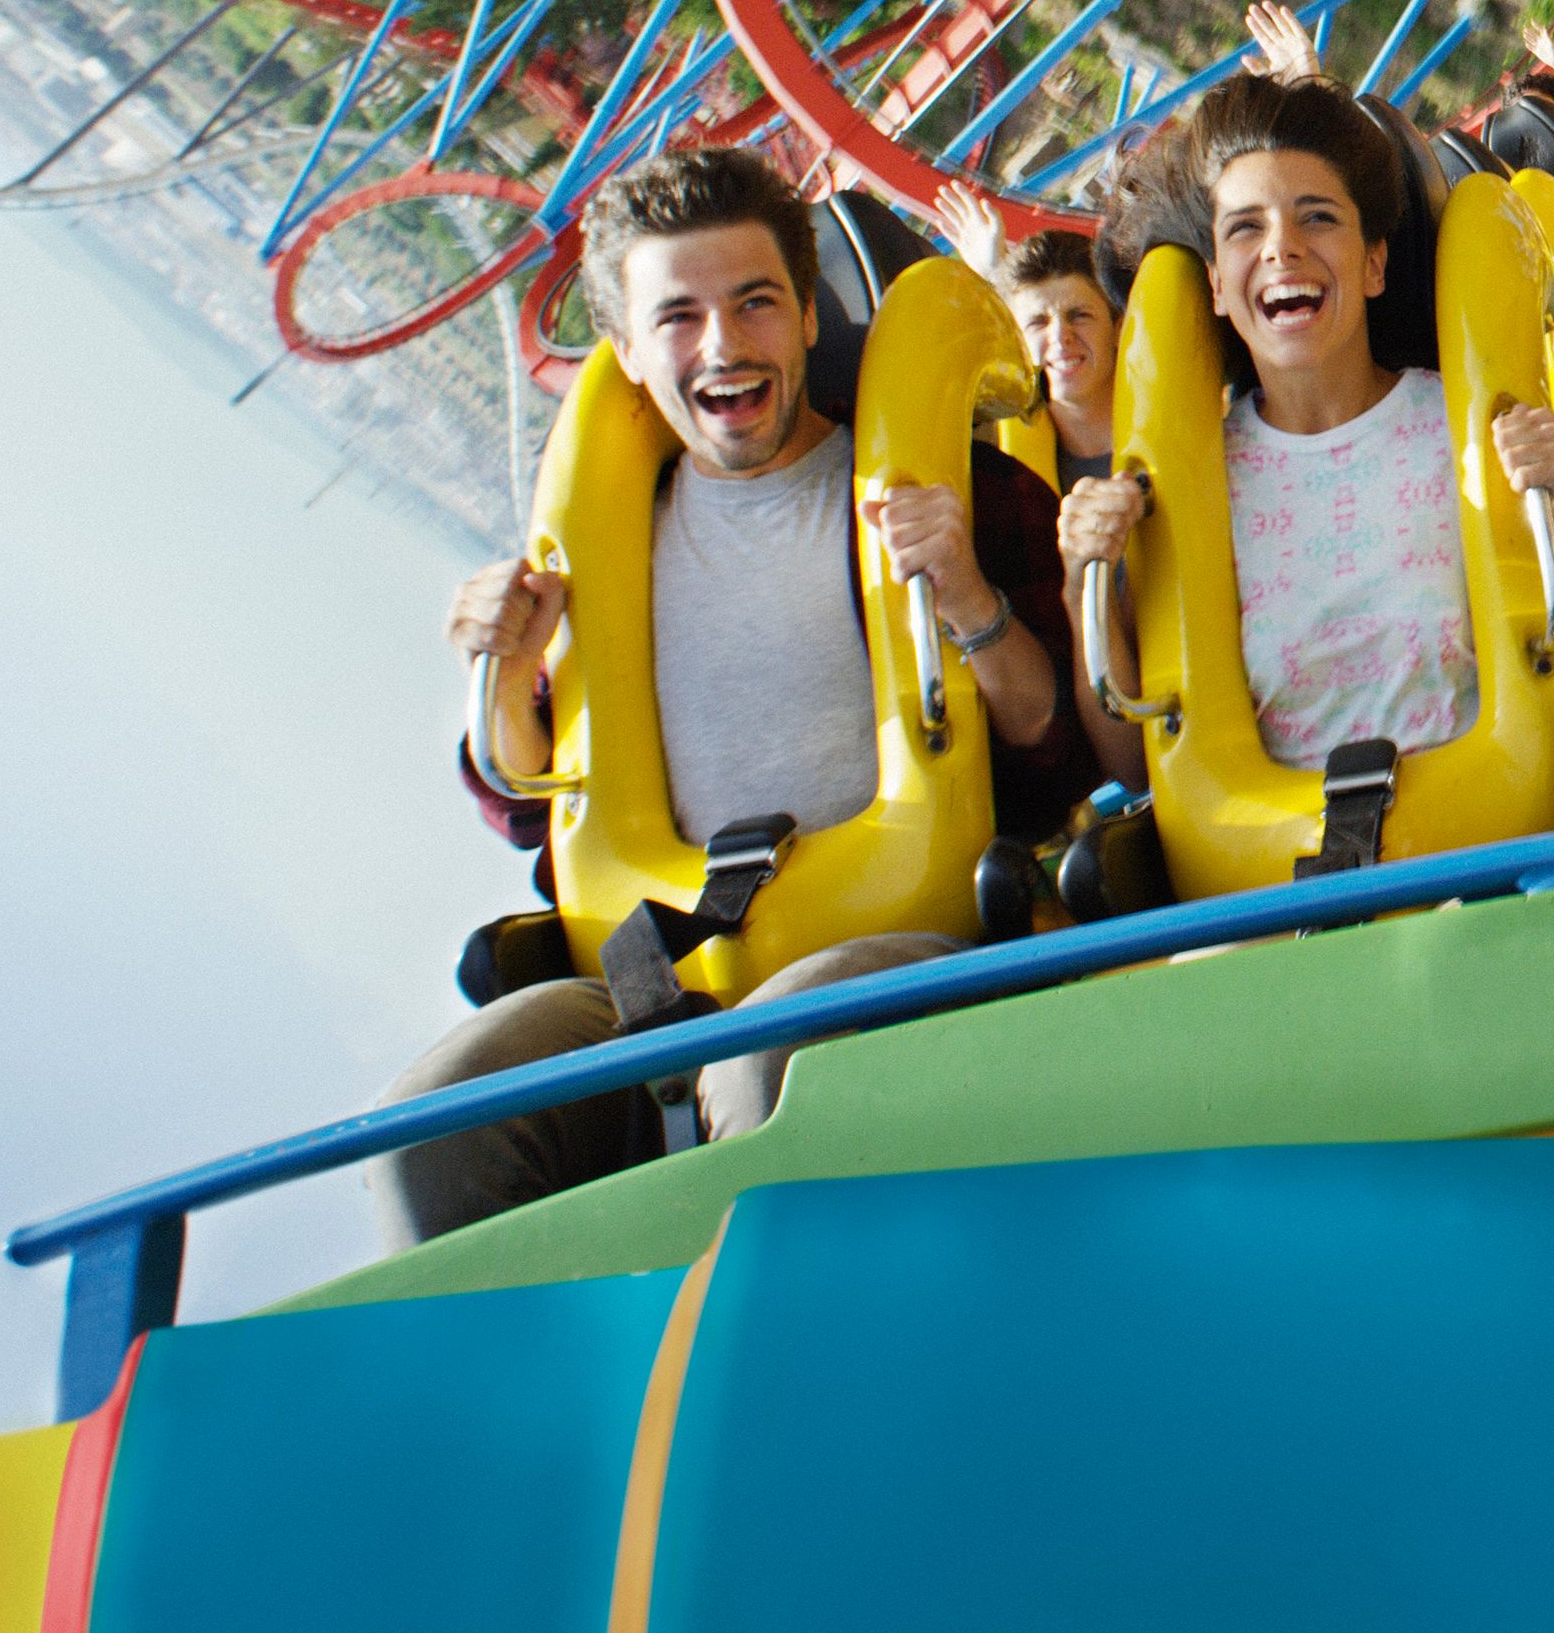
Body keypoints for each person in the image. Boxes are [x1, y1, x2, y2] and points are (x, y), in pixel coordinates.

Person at [384, 147, 1086, 1247]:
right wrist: (502, 669)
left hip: (897, 940)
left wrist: (966, 595)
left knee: (769, 1064)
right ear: (625, 349)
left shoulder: (962, 487)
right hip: (654, 973)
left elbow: (1060, 756)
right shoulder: (606, 545)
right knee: (439, 1115)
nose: (723, 344)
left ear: (809, 316)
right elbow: (533, 807)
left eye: (756, 302)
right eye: (679, 316)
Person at [1058, 71, 1554, 789]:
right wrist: (1080, 574)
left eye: (1317, 218)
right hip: (1287, 877)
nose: (1281, 249)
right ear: (1216, 283)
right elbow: (1133, 764)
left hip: (1496, 840)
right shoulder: (1190, 485)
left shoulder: (1469, 422)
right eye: (1247, 227)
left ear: (1374, 264)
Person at [934, 178, 1117, 480]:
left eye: (1079, 315)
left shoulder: (1180, 403)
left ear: (1118, 327)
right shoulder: (1005, 472)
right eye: (1039, 323)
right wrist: (994, 275)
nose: (1060, 337)